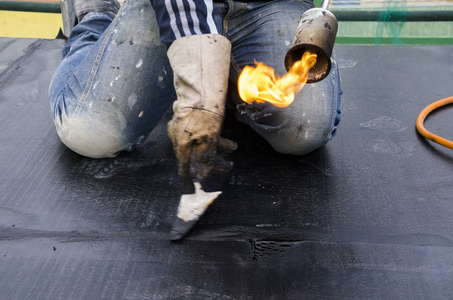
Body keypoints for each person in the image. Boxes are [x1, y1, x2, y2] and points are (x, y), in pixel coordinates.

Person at [49, 0, 342, 182]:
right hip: (168, 5)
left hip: (271, 3)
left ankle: (226, 76)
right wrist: (198, 99)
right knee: (90, 131)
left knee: (304, 130)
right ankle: (94, 18)